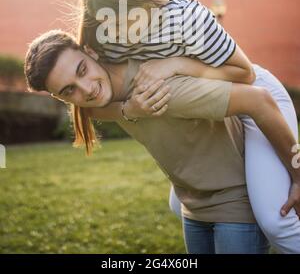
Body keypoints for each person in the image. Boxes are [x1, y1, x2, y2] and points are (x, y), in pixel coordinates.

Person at [69, 0, 300, 254]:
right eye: (109, 25)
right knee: (180, 206)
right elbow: (92, 98)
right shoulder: (102, 28)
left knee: (275, 221)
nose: (119, 36)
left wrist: (177, 64)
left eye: (127, 21)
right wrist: (130, 109)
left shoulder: (185, 16)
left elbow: (243, 73)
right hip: (213, 101)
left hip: (254, 92)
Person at [25, 30, 300, 254]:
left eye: (82, 70)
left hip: (235, 192)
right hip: (194, 203)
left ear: (91, 52)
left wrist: (297, 175)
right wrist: (129, 110)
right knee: (174, 205)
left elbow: (259, 99)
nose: (86, 89)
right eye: (68, 90)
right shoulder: (97, 99)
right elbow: (98, 105)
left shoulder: (159, 90)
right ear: (60, 98)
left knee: (277, 223)